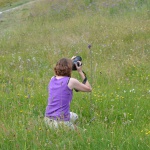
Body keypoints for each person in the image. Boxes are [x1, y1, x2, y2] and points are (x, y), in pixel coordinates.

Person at [44, 57, 92, 130]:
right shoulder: (71, 81)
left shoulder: (52, 79)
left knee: (75, 116)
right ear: (69, 68)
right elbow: (89, 89)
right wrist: (80, 72)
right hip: (60, 122)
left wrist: (69, 61)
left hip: (47, 120)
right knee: (84, 133)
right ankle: (68, 127)